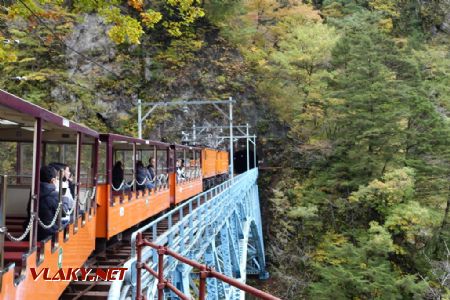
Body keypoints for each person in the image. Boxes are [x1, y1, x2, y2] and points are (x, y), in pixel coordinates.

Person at [37, 165, 60, 240]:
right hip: (50, 231)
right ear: (53, 180)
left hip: (35, 231)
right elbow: (62, 213)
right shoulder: (55, 195)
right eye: (57, 179)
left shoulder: (34, 192)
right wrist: (64, 199)